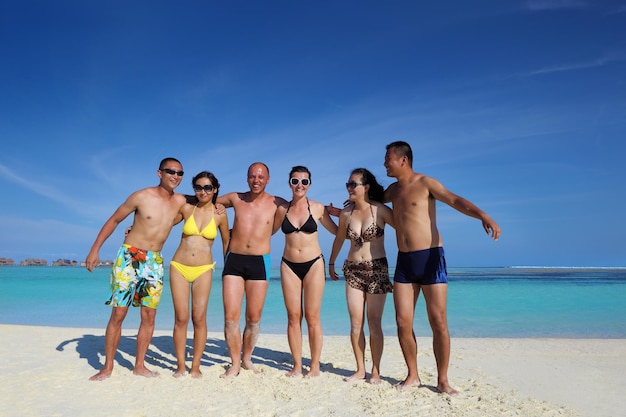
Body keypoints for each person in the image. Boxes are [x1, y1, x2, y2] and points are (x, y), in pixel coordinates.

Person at [383, 140, 501, 394]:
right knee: (403, 321)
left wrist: (483, 215)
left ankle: (443, 380)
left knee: (438, 321)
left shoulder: (426, 183)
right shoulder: (392, 191)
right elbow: (368, 203)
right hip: (404, 261)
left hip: (431, 258)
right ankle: (412, 375)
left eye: (388, 159)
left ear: (402, 159)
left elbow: (454, 200)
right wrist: (339, 211)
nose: (385, 164)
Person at [85, 157, 187, 381]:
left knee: (149, 315)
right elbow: (114, 220)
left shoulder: (180, 200)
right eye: (171, 171)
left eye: (180, 173)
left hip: (154, 261)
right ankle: (108, 366)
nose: (175, 176)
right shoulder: (141, 196)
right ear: (159, 173)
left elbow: (204, 198)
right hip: (130, 256)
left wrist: (219, 203)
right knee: (119, 312)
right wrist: (95, 249)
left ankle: (139, 365)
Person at [216, 162, 286, 378]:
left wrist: (339, 211)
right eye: (252, 176)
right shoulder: (235, 198)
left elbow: (303, 209)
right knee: (230, 316)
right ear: (247, 178)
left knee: (253, 318)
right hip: (234, 260)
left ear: (268, 179)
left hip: (260, 261)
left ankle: (247, 358)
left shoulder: (278, 203)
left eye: (261, 177)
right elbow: (203, 199)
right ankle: (235, 363)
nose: (256, 180)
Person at [328, 168, 395, 385]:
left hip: (377, 270)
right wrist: (331, 262)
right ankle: (360, 369)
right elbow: (339, 239)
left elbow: (405, 227)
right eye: (348, 184)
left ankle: (375, 370)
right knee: (356, 323)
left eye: (352, 184)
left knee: (374, 323)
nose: (348, 187)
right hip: (353, 269)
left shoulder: (381, 211)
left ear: (366, 187)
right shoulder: (347, 214)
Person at [273, 166, 338, 377]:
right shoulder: (282, 209)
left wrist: (348, 212)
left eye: (304, 181)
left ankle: (315, 365)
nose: (299, 185)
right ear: (289, 183)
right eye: (295, 181)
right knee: (293, 317)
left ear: (310, 184)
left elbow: (339, 232)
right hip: (288, 265)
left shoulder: (318, 208)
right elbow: (266, 230)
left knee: (312, 317)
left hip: (314, 264)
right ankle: (297, 365)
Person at [170, 171, 230, 378]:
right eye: (198, 187)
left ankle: (195, 366)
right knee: (181, 318)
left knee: (199, 318)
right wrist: (136, 228)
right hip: (179, 266)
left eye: (207, 187)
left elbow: (227, 243)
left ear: (214, 190)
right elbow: (163, 225)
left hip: (204, 269)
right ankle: (180, 365)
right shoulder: (187, 208)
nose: (202, 191)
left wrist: (229, 270)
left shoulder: (221, 214)